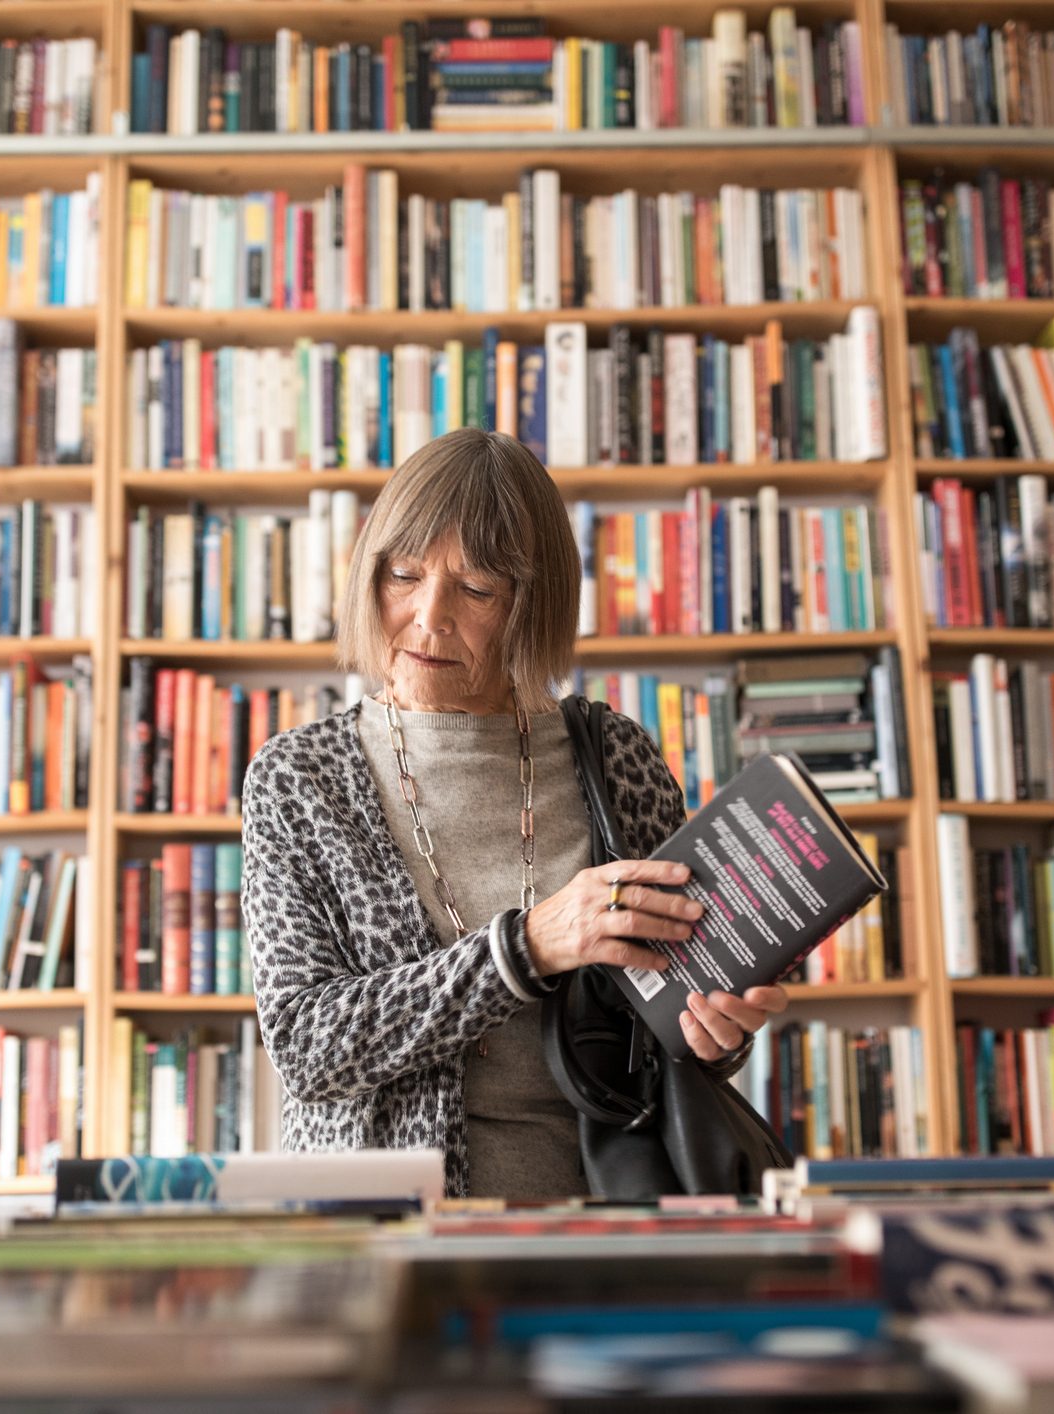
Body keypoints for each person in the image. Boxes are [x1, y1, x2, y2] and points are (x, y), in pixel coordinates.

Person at [241, 427, 790, 1200]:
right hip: (390, 1239)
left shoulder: (614, 758)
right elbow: (307, 1045)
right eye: (403, 575)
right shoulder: (300, 778)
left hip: (602, 1229)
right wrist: (525, 948)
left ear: (532, 605)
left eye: (476, 591)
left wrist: (713, 1031)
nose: (428, 617)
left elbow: (665, 1018)